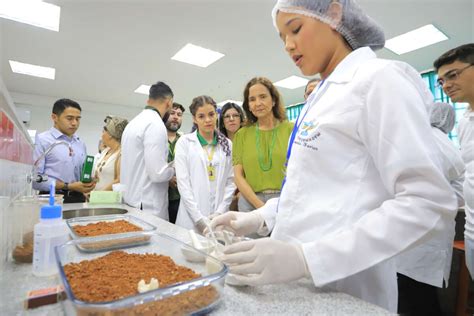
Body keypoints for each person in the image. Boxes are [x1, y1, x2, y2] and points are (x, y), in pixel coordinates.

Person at [210, 0, 457, 312]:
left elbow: (428, 202)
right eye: (282, 37)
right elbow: (311, 189)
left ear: (334, 13)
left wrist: (308, 258)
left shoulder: (378, 80)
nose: (288, 45)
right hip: (296, 284)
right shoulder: (323, 96)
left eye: (295, 29)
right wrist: (260, 218)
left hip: (347, 285)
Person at [396, 102, 465, 315]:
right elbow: (458, 192)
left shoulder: (427, 140)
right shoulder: (444, 143)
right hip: (428, 231)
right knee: (420, 291)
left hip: (416, 230)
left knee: (413, 294)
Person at [434, 43, 474, 276]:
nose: (446, 85)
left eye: (453, 75)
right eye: (441, 81)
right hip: (471, 229)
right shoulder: (464, 121)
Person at [174, 96, 235, 233]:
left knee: (218, 253)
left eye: (211, 114)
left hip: (219, 218)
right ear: (195, 119)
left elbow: (231, 182)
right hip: (190, 219)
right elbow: (183, 184)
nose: (208, 120)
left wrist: (220, 213)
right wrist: (199, 220)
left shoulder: (227, 145)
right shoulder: (184, 143)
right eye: (201, 116)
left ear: (217, 115)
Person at [233, 77, 293, 213]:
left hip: (284, 202)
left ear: (273, 100)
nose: (257, 103)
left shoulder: (291, 130)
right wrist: (261, 207)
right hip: (250, 203)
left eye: (263, 97)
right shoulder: (241, 134)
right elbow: (238, 176)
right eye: (252, 99)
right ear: (248, 105)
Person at [120, 81, 175, 218]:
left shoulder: (133, 123)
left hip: (131, 200)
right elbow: (157, 174)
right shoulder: (155, 124)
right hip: (148, 207)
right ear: (169, 103)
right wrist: (176, 166)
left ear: (148, 100)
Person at [33, 98, 95, 203]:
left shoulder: (80, 143)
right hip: (52, 198)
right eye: (69, 118)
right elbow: (35, 179)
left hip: (78, 198)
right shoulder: (43, 140)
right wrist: (68, 186)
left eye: (78, 119)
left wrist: (89, 181)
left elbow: (80, 175)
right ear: (54, 117)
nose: (74, 123)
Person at [93, 116, 128, 191]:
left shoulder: (121, 153)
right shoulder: (105, 151)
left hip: (109, 199)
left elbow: (120, 179)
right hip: (96, 198)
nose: (101, 134)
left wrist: (99, 194)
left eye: (103, 131)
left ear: (110, 134)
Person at [165, 102, 185, 224]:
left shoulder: (185, 141)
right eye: (172, 113)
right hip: (159, 196)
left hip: (180, 198)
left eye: (179, 114)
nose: (176, 117)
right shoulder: (157, 137)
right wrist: (167, 178)